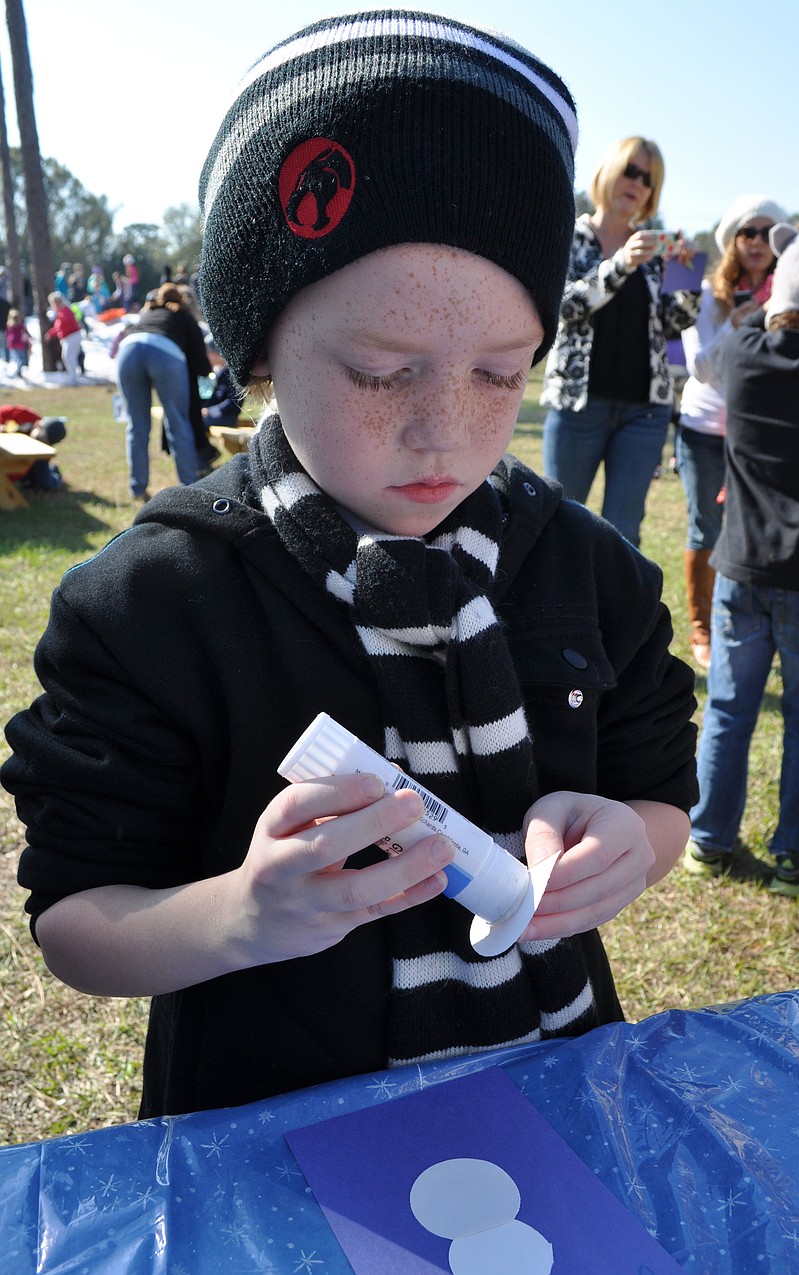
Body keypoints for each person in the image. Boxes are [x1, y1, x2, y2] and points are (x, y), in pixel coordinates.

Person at [1, 12, 697, 1120]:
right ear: (260, 348)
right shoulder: (153, 603)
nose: (444, 432)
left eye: (500, 374)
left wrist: (629, 846)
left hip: (547, 1090)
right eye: (380, 371)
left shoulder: (586, 568)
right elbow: (77, 921)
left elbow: (656, 794)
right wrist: (240, 915)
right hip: (272, 1128)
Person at [685, 218, 799, 897]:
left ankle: (708, 838)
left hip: (740, 566)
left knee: (728, 710)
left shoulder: (746, 351)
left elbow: (706, 360)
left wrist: (769, 304)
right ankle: (796, 857)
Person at [540, 136, 700, 547]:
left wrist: (688, 278)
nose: (638, 184)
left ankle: (615, 595)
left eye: (649, 179)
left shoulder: (655, 250)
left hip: (644, 411)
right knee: (557, 525)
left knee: (623, 534)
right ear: (609, 170)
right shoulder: (568, 233)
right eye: (631, 171)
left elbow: (672, 325)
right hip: (578, 404)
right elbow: (563, 306)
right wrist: (621, 263)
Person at [678, 195, 788, 670]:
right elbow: (700, 368)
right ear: (732, 241)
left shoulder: (790, 297)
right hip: (703, 429)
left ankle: (747, 626)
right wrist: (740, 324)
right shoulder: (707, 294)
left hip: (760, 432)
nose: (757, 242)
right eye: (748, 232)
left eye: (767, 233)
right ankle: (702, 627)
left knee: (757, 535)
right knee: (705, 526)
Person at [114, 282, 209, 500]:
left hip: (128, 350)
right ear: (181, 300)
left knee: (136, 426)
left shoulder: (149, 312)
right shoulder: (184, 316)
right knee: (178, 422)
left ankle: (137, 489)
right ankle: (189, 485)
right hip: (165, 353)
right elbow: (201, 362)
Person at [0, 404, 66, 490]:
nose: (37, 442)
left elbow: (22, 469)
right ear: (38, 425)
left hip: (26, 460)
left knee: (45, 484)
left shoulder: (42, 449)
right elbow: (3, 412)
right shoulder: (26, 415)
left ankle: (53, 472)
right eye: (38, 438)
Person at [45, 292, 83, 385]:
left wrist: (58, 316)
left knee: (68, 357)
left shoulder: (65, 311)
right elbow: (58, 327)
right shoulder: (60, 312)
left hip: (72, 336)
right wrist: (50, 333)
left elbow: (66, 323)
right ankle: (73, 377)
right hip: (69, 337)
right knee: (69, 357)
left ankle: (73, 378)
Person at [6, 308, 30, 377]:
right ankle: (18, 370)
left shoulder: (10, 325)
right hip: (19, 344)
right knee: (21, 358)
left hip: (13, 344)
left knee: (17, 357)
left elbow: (7, 335)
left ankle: (18, 370)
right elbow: (26, 332)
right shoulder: (20, 325)